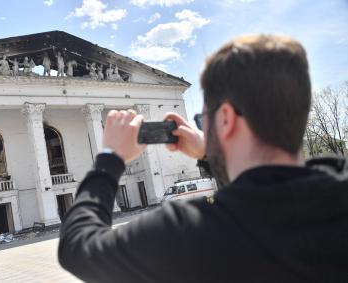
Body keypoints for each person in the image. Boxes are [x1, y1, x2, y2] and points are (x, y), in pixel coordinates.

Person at [58, 35, 348, 282]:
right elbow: (268, 191)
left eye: (201, 119)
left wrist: (110, 158)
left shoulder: (188, 233)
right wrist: (213, 155)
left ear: (226, 119)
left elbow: (78, 248)